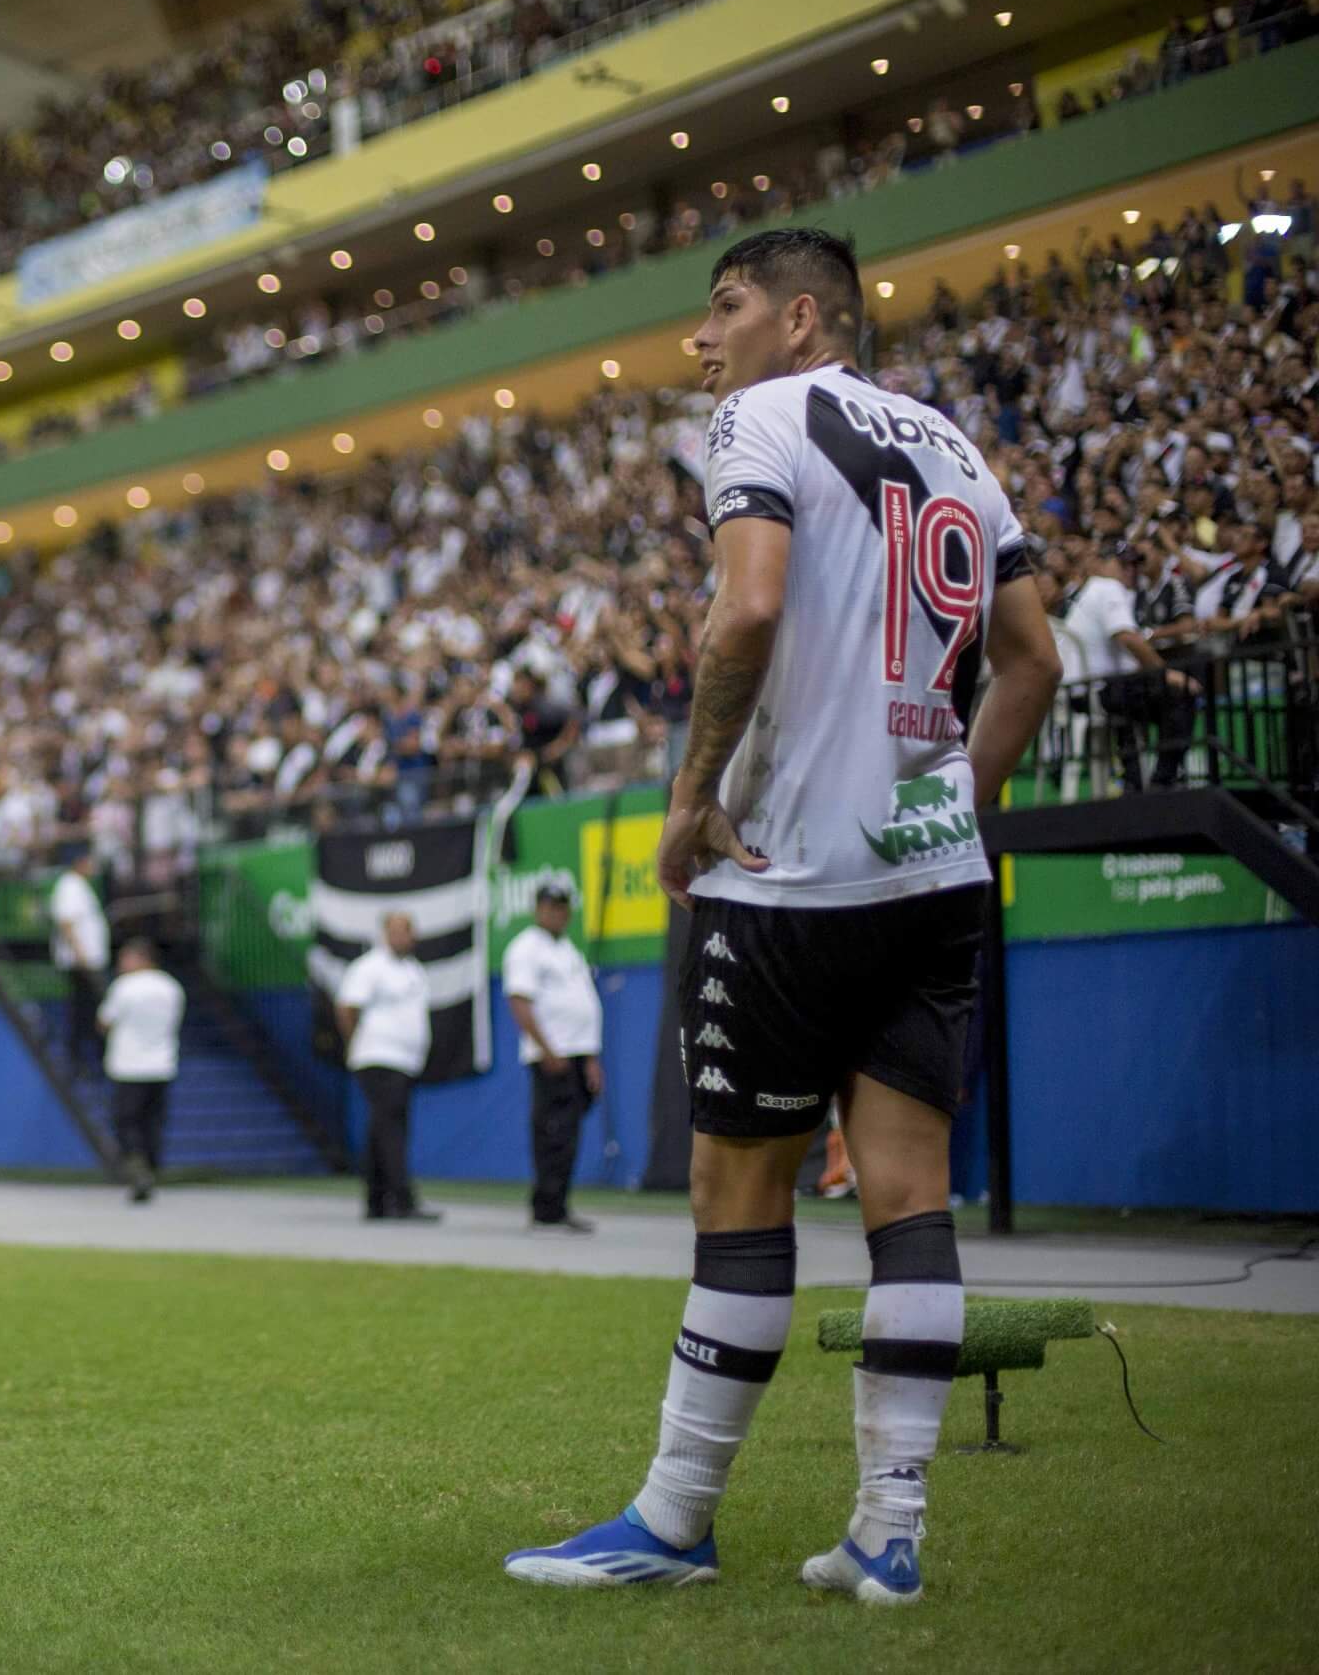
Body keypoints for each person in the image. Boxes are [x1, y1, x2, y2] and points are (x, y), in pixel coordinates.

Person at [505, 228, 1060, 1604]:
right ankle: (889, 1529)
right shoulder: (958, 444)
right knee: (908, 1196)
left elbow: (744, 610)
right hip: (932, 877)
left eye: (727, 307)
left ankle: (676, 1518)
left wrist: (691, 798)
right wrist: (946, 806)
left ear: (802, 319)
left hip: (793, 873)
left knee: (737, 1193)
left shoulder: (761, 415)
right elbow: (1033, 656)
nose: (704, 341)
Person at [501, 873, 606, 1233]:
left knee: (568, 1133)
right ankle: (547, 1207)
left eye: (562, 908)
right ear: (537, 910)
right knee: (553, 1130)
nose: (557, 914)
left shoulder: (568, 950)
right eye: (550, 907)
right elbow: (519, 1000)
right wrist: (546, 1049)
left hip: (576, 1054)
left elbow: (584, 1006)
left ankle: (557, 1202)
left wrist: (591, 1058)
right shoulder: (526, 947)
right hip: (553, 1054)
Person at [1061, 543, 1197, 789]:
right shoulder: (1107, 587)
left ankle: (1135, 779)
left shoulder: (1090, 593)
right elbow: (1126, 637)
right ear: (1103, 565)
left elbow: (1126, 655)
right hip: (1097, 690)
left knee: (1139, 698)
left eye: (1136, 564)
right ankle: (1162, 781)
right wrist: (1165, 674)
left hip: (1082, 691)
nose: (1131, 570)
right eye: (1123, 564)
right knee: (1179, 693)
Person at [333, 913, 439, 1224]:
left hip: (405, 1060)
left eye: (408, 930)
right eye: (399, 930)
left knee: (383, 1127)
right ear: (385, 933)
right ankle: (400, 1197)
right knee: (391, 1125)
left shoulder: (413, 970)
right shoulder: (370, 967)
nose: (405, 936)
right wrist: (358, 1045)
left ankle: (377, 1199)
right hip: (377, 1057)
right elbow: (347, 1007)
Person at [96, 939, 184, 1203]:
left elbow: (104, 1022)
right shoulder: (172, 987)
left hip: (129, 1066)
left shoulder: (124, 987)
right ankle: (152, 1168)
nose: (122, 964)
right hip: (162, 1064)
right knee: (153, 1122)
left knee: (126, 1121)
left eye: (126, 958)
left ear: (141, 959)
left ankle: (138, 1169)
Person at [48, 849, 111, 1067]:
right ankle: (79, 1057)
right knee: (86, 1008)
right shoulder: (69, 886)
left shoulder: (80, 886)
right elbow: (67, 922)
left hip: (86, 959)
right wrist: (81, 954)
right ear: (80, 862)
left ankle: (84, 1056)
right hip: (81, 962)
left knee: (86, 1008)